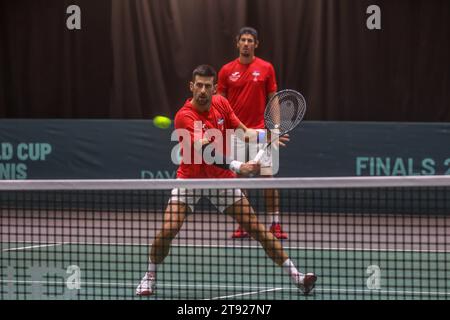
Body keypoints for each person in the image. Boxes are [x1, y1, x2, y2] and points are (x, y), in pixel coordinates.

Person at [135, 64, 316, 296]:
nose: (202, 90)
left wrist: (266, 134)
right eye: (198, 85)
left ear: (215, 88)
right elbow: (205, 150)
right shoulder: (185, 116)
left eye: (207, 86)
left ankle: (298, 277)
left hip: (221, 181)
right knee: (169, 228)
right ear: (191, 86)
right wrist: (239, 165)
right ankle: (149, 277)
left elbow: (243, 132)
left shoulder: (221, 103)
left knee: (258, 230)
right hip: (190, 181)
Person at [218, 27, 288, 239]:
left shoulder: (266, 68)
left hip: (259, 132)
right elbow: (219, 103)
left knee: (268, 178)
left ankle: (275, 224)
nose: (246, 43)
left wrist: (274, 129)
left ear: (256, 44)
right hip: (236, 133)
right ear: (237, 43)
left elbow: (273, 100)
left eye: (250, 40)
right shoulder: (226, 71)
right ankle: (244, 223)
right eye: (243, 40)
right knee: (241, 180)